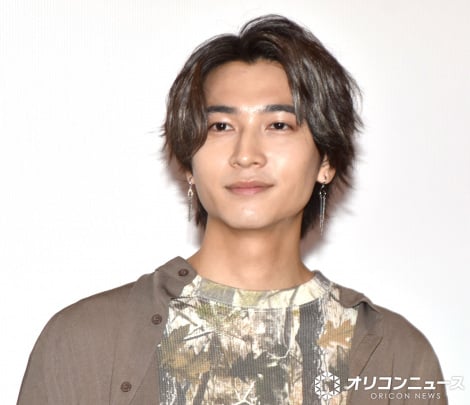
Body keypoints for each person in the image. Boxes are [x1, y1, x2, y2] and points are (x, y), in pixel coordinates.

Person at [17, 15, 447, 404]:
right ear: (188, 162)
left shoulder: (399, 356)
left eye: (278, 125)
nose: (246, 154)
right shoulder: (84, 341)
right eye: (221, 126)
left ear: (326, 161)